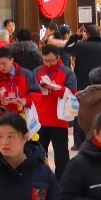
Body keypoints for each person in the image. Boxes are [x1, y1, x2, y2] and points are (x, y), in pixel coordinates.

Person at [32, 45, 77, 176]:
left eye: (51, 60)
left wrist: (55, 89)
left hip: (59, 119)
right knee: (39, 152)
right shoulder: (37, 71)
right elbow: (31, 91)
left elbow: (72, 94)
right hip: (40, 118)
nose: (48, 63)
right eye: (45, 60)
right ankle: (41, 177)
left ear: (58, 58)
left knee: (61, 154)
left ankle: (62, 179)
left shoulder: (67, 73)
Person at [0, 46, 40, 117]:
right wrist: (0, 102)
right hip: (3, 118)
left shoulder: (26, 74)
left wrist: (25, 101)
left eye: (4, 63)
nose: (1, 67)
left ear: (12, 60)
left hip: (25, 116)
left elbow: (37, 94)